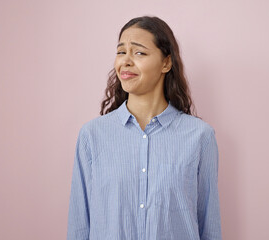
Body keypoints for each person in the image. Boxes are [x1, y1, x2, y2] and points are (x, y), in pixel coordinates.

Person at [67, 16, 222, 240]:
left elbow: (209, 227)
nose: (126, 61)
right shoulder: (92, 136)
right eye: (121, 52)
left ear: (166, 63)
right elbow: (79, 226)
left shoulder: (200, 137)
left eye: (139, 52)